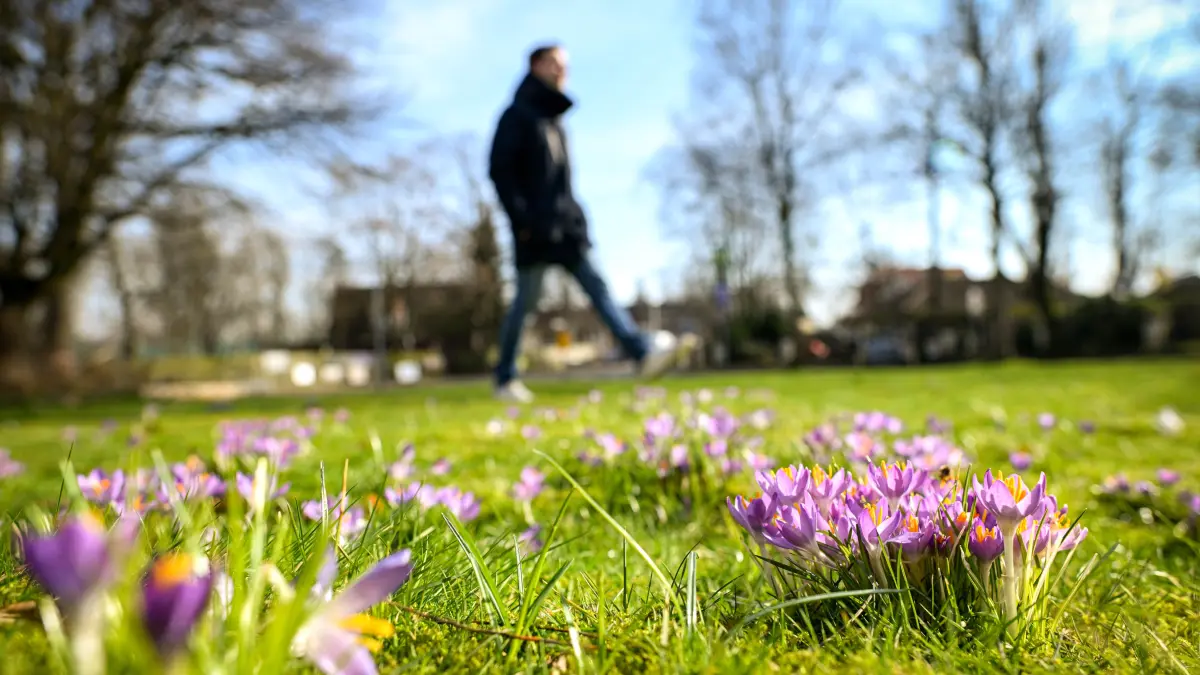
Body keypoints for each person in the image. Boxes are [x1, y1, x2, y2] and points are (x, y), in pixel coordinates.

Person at [488, 43, 692, 403]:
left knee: (597, 287)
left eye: (564, 65)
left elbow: (561, 184)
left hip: (565, 229)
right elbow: (501, 173)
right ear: (535, 66)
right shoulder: (518, 116)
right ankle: (505, 377)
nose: (561, 71)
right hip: (534, 231)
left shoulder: (554, 120)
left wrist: (575, 219)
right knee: (526, 302)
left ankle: (641, 352)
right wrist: (523, 222)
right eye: (553, 63)